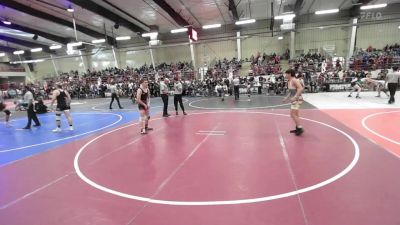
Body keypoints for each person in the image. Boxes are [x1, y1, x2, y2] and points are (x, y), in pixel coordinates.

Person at [283, 69, 304, 136]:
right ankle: (297, 128)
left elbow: (300, 88)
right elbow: (290, 91)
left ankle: (300, 128)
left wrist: (295, 97)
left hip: (297, 99)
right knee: (296, 115)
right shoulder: (289, 81)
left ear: (289, 74)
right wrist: (286, 98)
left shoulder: (294, 80)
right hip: (295, 99)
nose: (285, 75)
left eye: (286, 74)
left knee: (292, 114)